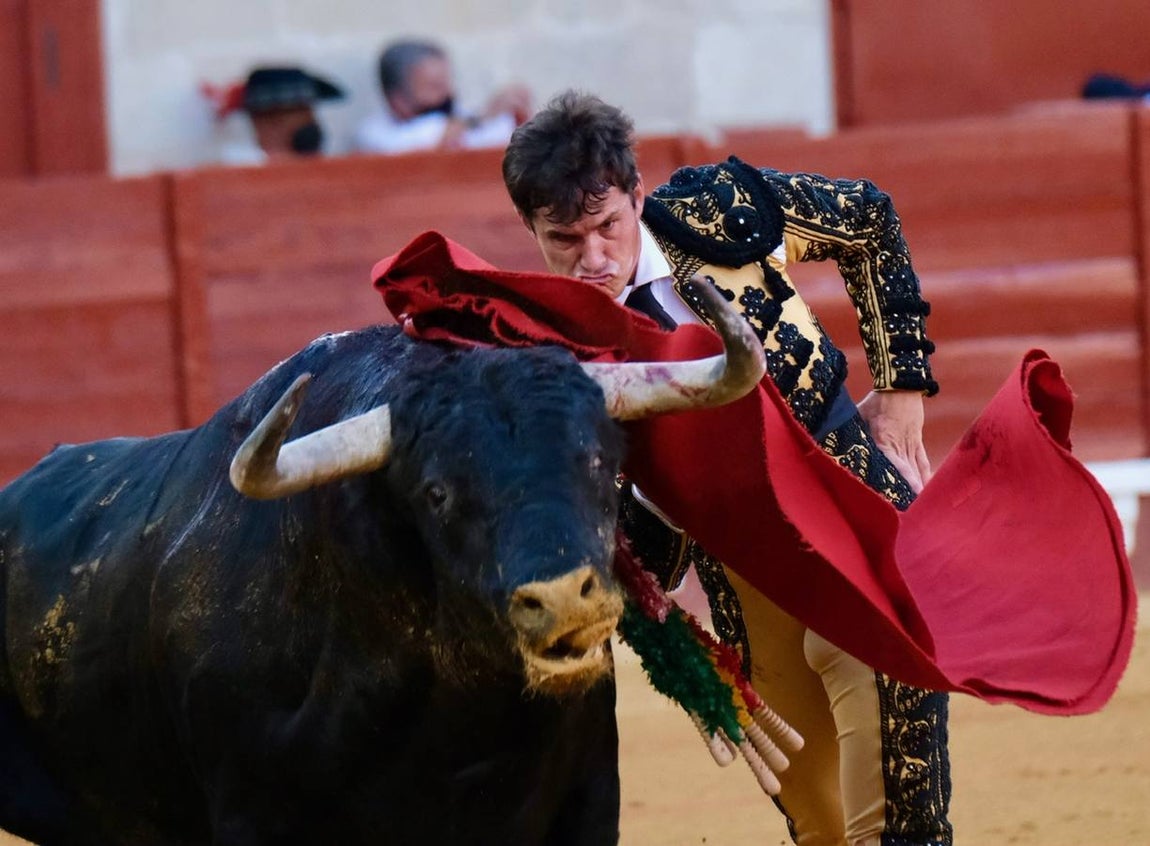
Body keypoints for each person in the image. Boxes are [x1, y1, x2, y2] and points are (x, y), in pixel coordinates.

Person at [500, 90, 951, 846]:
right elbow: (627, 541)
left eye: (608, 226)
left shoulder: (718, 213)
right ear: (533, 232)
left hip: (844, 507)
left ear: (637, 197)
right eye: (564, 240)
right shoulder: (554, 352)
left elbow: (868, 219)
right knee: (819, 822)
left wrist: (902, 389)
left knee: (897, 813)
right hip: (738, 573)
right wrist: (677, 652)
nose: (595, 258)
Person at [354, 39, 531, 155]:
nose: (447, 94)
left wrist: (516, 114)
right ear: (398, 100)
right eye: (434, 87)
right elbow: (429, 137)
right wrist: (483, 117)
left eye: (446, 83)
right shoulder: (372, 134)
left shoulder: (463, 118)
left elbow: (502, 137)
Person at [209, 65, 346, 166]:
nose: (310, 120)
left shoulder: (321, 168)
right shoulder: (240, 168)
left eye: (309, 110)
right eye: (298, 110)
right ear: (265, 122)